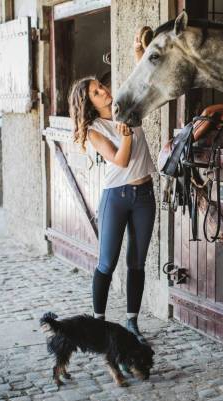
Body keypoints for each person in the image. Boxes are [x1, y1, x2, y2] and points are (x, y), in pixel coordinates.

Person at [67, 32, 154, 344]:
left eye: (100, 86)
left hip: (145, 195)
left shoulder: (126, 107)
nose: (103, 90)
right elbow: (119, 160)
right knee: (107, 262)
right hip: (116, 198)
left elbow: (144, 81)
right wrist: (127, 136)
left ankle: (131, 323)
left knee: (137, 262)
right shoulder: (94, 130)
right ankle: (98, 324)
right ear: (88, 102)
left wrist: (138, 51)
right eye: (95, 92)